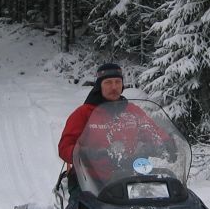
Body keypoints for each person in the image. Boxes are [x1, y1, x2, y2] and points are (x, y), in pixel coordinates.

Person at [57, 63, 174, 195]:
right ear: (99, 86)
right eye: (108, 82)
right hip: (91, 178)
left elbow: (152, 131)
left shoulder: (133, 111)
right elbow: (64, 147)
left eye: (118, 82)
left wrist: (167, 142)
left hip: (130, 175)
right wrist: (85, 153)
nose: (114, 87)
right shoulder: (84, 113)